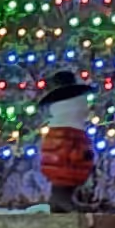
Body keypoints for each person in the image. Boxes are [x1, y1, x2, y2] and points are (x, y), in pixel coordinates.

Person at [36, 69, 99, 216]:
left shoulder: (63, 128)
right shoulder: (68, 130)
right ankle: (62, 199)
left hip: (69, 138)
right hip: (69, 146)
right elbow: (67, 158)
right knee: (66, 170)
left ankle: (61, 199)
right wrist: (84, 155)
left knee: (65, 170)